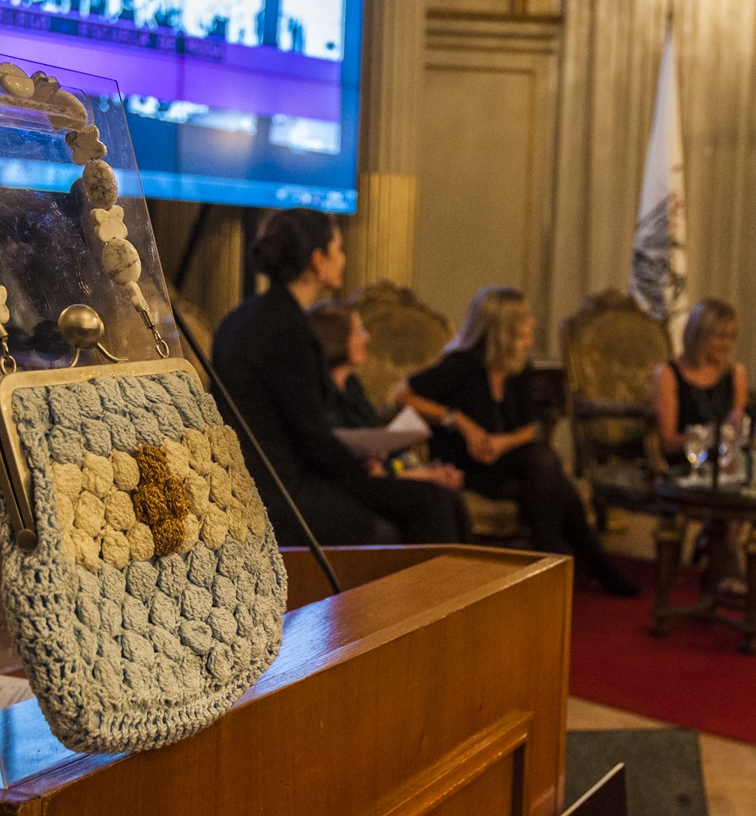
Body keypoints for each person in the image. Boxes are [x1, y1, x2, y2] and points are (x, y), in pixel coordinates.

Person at [211, 208, 466, 547]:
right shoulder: (288, 330)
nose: (343, 259)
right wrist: (364, 475)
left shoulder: (242, 317)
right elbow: (311, 436)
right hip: (281, 495)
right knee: (431, 502)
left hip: (259, 480)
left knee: (437, 499)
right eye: (339, 250)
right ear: (318, 260)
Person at [395, 286, 639, 597]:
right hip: (469, 464)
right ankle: (579, 567)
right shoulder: (463, 364)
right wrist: (460, 421)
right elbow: (402, 395)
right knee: (550, 476)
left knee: (543, 471)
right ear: (503, 327)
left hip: (507, 461)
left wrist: (501, 443)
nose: (532, 323)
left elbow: (530, 428)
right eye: (524, 319)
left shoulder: (518, 367)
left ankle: (547, 573)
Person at [308, 301, 473, 543]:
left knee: (451, 498)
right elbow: (341, 453)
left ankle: (473, 579)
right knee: (433, 500)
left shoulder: (352, 386)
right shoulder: (316, 389)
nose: (367, 337)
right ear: (338, 340)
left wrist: (421, 470)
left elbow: (376, 447)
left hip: (375, 473)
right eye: (360, 331)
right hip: (343, 482)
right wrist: (420, 476)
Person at [652, 298, 749, 594]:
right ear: (698, 334)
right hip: (685, 461)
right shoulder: (668, 374)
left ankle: (720, 552)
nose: (725, 344)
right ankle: (727, 565)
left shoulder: (736, 374)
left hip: (724, 460)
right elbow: (669, 441)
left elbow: (737, 431)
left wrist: (735, 430)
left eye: (730, 336)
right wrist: (711, 436)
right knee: (729, 470)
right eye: (718, 336)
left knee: (732, 465)